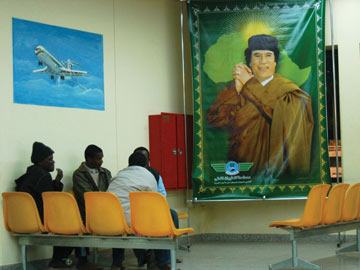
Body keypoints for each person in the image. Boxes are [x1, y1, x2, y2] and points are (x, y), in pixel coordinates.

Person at [207, 34, 314, 180]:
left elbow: (290, 124)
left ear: (275, 61)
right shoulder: (238, 87)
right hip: (240, 171)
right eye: (257, 55)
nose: (263, 61)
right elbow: (215, 120)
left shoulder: (289, 92)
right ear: (249, 62)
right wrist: (237, 91)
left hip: (273, 171)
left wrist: (248, 86)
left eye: (269, 55)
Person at [107, 152, 172, 270]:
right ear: (146, 164)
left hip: (111, 221)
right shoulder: (148, 176)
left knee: (120, 223)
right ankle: (163, 262)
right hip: (134, 222)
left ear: (129, 164)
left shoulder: (118, 176)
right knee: (169, 215)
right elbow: (154, 202)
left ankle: (117, 264)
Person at [15, 142, 73, 269]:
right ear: (40, 162)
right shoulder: (43, 176)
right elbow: (51, 201)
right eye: (50, 159)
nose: (53, 162)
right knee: (72, 225)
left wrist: (57, 181)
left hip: (22, 220)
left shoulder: (29, 173)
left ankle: (58, 260)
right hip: (38, 220)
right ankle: (59, 259)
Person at [72, 145, 111, 270]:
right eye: (98, 159)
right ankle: (82, 261)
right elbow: (86, 196)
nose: (101, 161)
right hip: (87, 211)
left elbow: (112, 191)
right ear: (89, 159)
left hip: (105, 209)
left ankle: (117, 261)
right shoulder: (79, 174)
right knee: (80, 222)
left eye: (101, 158)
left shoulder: (105, 172)